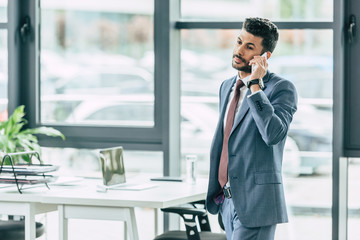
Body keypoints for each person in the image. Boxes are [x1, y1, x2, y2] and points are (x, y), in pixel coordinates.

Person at [205, 17, 298, 240]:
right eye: (239, 42)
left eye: (249, 47)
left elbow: (273, 134)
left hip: (256, 203)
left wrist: (255, 86)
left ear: (264, 57)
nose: (239, 50)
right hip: (227, 200)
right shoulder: (227, 86)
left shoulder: (281, 88)